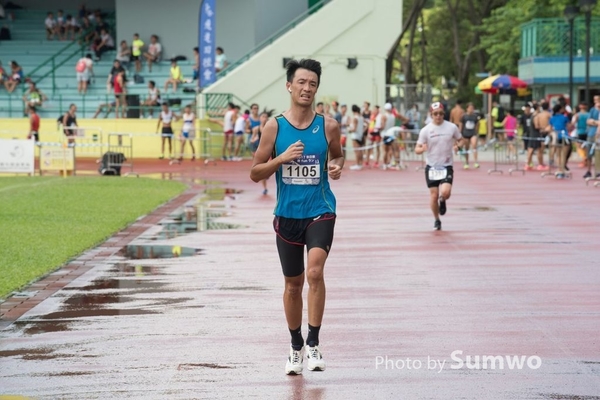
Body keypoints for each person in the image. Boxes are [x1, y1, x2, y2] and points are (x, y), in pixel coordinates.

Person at [250, 58, 343, 375]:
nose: (307, 88)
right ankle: (295, 346)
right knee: (293, 285)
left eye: (312, 83)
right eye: (301, 82)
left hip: (320, 210)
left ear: (317, 88)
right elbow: (254, 172)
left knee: (314, 273)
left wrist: (337, 166)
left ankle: (314, 343)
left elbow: (339, 155)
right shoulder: (274, 127)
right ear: (289, 85)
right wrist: (281, 160)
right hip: (287, 215)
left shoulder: (328, 126)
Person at [415, 102, 462, 231]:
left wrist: (458, 146)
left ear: (443, 114)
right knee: (433, 195)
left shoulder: (451, 127)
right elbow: (416, 149)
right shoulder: (425, 130)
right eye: (435, 114)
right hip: (432, 167)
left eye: (440, 113)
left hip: (446, 165)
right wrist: (422, 148)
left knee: (446, 192)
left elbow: (461, 139)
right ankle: (436, 220)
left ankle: (443, 200)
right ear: (431, 115)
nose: (438, 116)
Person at [546, 104, 572, 179]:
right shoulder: (564, 117)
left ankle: (559, 169)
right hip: (564, 136)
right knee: (564, 154)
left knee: (559, 154)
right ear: (560, 110)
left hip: (557, 136)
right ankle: (562, 170)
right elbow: (569, 126)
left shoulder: (552, 118)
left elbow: (550, 127)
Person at [249, 110, 271, 195]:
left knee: (268, 169)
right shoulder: (256, 129)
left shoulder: (270, 128)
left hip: (269, 151)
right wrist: (253, 139)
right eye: (263, 117)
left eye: (266, 117)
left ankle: (267, 173)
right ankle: (265, 188)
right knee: (262, 170)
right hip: (259, 151)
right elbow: (251, 139)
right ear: (259, 118)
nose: (264, 119)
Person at [458, 102, 480, 169]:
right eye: (470, 108)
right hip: (465, 134)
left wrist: (476, 131)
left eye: (472, 108)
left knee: (474, 146)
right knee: (466, 148)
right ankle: (466, 162)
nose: (471, 109)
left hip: (473, 133)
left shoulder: (475, 116)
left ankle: (476, 162)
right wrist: (460, 134)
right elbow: (461, 125)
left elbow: (477, 124)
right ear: (467, 108)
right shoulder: (464, 116)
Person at [584, 96, 600, 179]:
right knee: (589, 153)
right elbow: (588, 121)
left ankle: (598, 171)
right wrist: (596, 122)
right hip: (591, 133)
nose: (596, 102)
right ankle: (589, 170)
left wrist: (594, 122)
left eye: (597, 100)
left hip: (598, 135)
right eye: (595, 100)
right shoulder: (592, 110)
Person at [348, 104, 365, 170]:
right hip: (360, 135)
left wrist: (349, 129)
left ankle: (358, 164)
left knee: (357, 151)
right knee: (360, 151)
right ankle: (360, 164)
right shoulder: (361, 117)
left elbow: (354, 129)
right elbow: (366, 125)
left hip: (355, 136)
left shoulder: (355, 118)